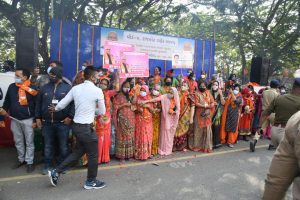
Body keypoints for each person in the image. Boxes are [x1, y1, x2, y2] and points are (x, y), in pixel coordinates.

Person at [48, 67, 106, 190]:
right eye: (97, 76)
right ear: (91, 77)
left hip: (76, 127)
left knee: (78, 152)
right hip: (86, 128)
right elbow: (102, 111)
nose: (98, 78)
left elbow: (63, 103)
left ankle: (56, 171)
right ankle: (91, 181)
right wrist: (93, 110)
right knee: (93, 154)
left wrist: (56, 108)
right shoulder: (97, 91)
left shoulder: (75, 88)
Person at [35, 67, 74, 175]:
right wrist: (37, 118)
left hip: (63, 123)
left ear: (59, 76)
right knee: (47, 145)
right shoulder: (44, 88)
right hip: (47, 122)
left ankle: (62, 166)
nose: (50, 77)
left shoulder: (68, 88)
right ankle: (47, 165)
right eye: (50, 75)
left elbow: (73, 104)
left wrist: (70, 117)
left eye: (53, 75)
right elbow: (38, 104)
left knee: (63, 146)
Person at [0, 68, 38, 173]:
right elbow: (7, 101)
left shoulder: (32, 88)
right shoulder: (12, 87)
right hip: (14, 119)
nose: (15, 77)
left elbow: (36, 105)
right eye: (15, 75)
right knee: (18, 141)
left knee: (29, 142)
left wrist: (35, 120)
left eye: (18, 76)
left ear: (25, 77)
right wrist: (3, 112)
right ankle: (21, 160)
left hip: (28, 120)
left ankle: (30, 162)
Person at [252, 76, 300, 152]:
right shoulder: (277, 94)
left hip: (264, 112)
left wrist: (259, 125)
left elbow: (262, 105)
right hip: (274, 114)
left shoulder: (264, 92)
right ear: (277, 86)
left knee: (262, 128)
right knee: (275, 126)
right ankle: (272, 144)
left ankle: (255, 139)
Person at [262, 111, 300, 200]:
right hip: (286, 128)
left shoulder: (279, 99)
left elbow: (268, 112)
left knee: (275, 183)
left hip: (291, 123)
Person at [142, 87, 180, 156]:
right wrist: (146, 101)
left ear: (174, 94)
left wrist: (174, 112)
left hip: (172, 120)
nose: (170, 93)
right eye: (169, 91)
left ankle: (168, 150)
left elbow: (178, 111)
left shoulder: (176, 100)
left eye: (171, 93)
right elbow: (155, 99)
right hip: (164, 119)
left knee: (169, 135)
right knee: (163, 134)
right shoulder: (164, 97)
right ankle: (162, 149)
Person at [96, 75, 119, 164]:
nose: (103, 85)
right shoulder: (96, 92)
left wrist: (117, 77)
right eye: (102, 83)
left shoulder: (108, 93)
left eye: (105, 84)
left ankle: (104, 157)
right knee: (99, 137)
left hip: (107, 119)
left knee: (106, 138)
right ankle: (97, 158)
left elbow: (117, 90)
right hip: (98, 118)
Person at [189, 81, 215, 153]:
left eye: (204, 86)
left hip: (207, 114)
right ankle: (197, 146)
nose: (202, 87)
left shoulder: (208, 93)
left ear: (206, 86)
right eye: (201, 86)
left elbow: (212, 101)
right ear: (198, 86)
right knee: (198, 131)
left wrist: (211, 105)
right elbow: (196, 103)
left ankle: (206, 147)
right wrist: (204, 106)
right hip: (199, 115)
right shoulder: (196, 93)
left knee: (207, 130)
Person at [113, 80, 135, 161]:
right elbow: (116, 107)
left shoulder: (131, 95)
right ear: (122, 87)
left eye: (128, 87)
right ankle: (121, 156)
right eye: (125, 87)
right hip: (122, 119)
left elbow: (134, 106)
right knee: (122, 136)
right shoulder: (118, 96)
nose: (127, 89)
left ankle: (128, 155)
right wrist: (124, 104)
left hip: (131, 119)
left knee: (129, 136)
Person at [134, 85, 154, 160]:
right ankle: (139, 154)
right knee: (140, 136)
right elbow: (133, 108)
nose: (143, 92)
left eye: (144, 90)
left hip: (148, 121)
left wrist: (148, 106)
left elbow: (153, 111)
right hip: (139, 120)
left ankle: (147, 153)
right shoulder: (137, 97)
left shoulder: (149, 98)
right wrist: (138, 109)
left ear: (147, 91)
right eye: (141, 90)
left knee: (147, 136)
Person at [173, 81, 192, 151]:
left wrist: (191, 117)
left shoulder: (189, 95)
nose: (183, 86)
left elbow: (192, 106)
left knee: (184, 129)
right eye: (182, 85)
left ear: (187, 87)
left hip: (186, 115)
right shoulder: (178, 94)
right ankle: (175, 145)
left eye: (185, 85)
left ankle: (182, 146)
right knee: (176, 129)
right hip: (178, 114)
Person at [210, 80, 225, 149]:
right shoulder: (209, 92)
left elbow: (223, 103)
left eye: (216, 85)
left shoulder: (220, 93)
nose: (214, 86)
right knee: (210, 127)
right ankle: (210, 143)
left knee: (216, 127)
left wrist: (221, 94)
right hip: (210, 112)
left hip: (218, 113)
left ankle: (217, 143)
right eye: (214, 84)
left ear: (218, 86)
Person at [150, 84, 162, 156]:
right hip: (149, 117)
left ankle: (154, 150)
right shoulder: (148, 97)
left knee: (155, 134)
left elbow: (162, 107)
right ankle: (148, 150)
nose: (156, 91)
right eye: (155, 89)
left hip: (156, 118)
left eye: (158, 90)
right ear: (152, 89)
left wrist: (159, 109)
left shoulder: (160, 97)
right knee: (149, 134)